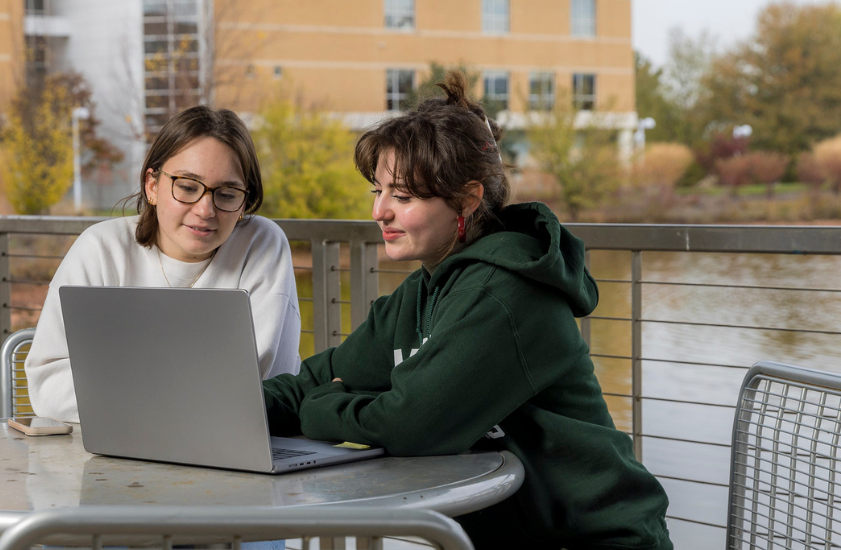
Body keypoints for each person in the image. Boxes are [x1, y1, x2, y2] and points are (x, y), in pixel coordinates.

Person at [262, 73, 673, 550]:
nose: (379, 212)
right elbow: (319, 377)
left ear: (468, 199)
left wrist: (323, 408)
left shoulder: (507, 295)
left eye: (403, 195)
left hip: (595, 538)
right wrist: (235, 408)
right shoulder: (420, 293)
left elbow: (411, 426)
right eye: (377, 191)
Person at [26, 105, 301, 424]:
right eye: (186, 187)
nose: (205, 210)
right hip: (115, 456)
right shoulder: (100, 249)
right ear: (152, 185)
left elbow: (258, 390)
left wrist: (116, 386)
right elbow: (46, 386)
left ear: (244, 201)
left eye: (226, 194)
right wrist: (188, 392)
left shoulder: (262, 244)